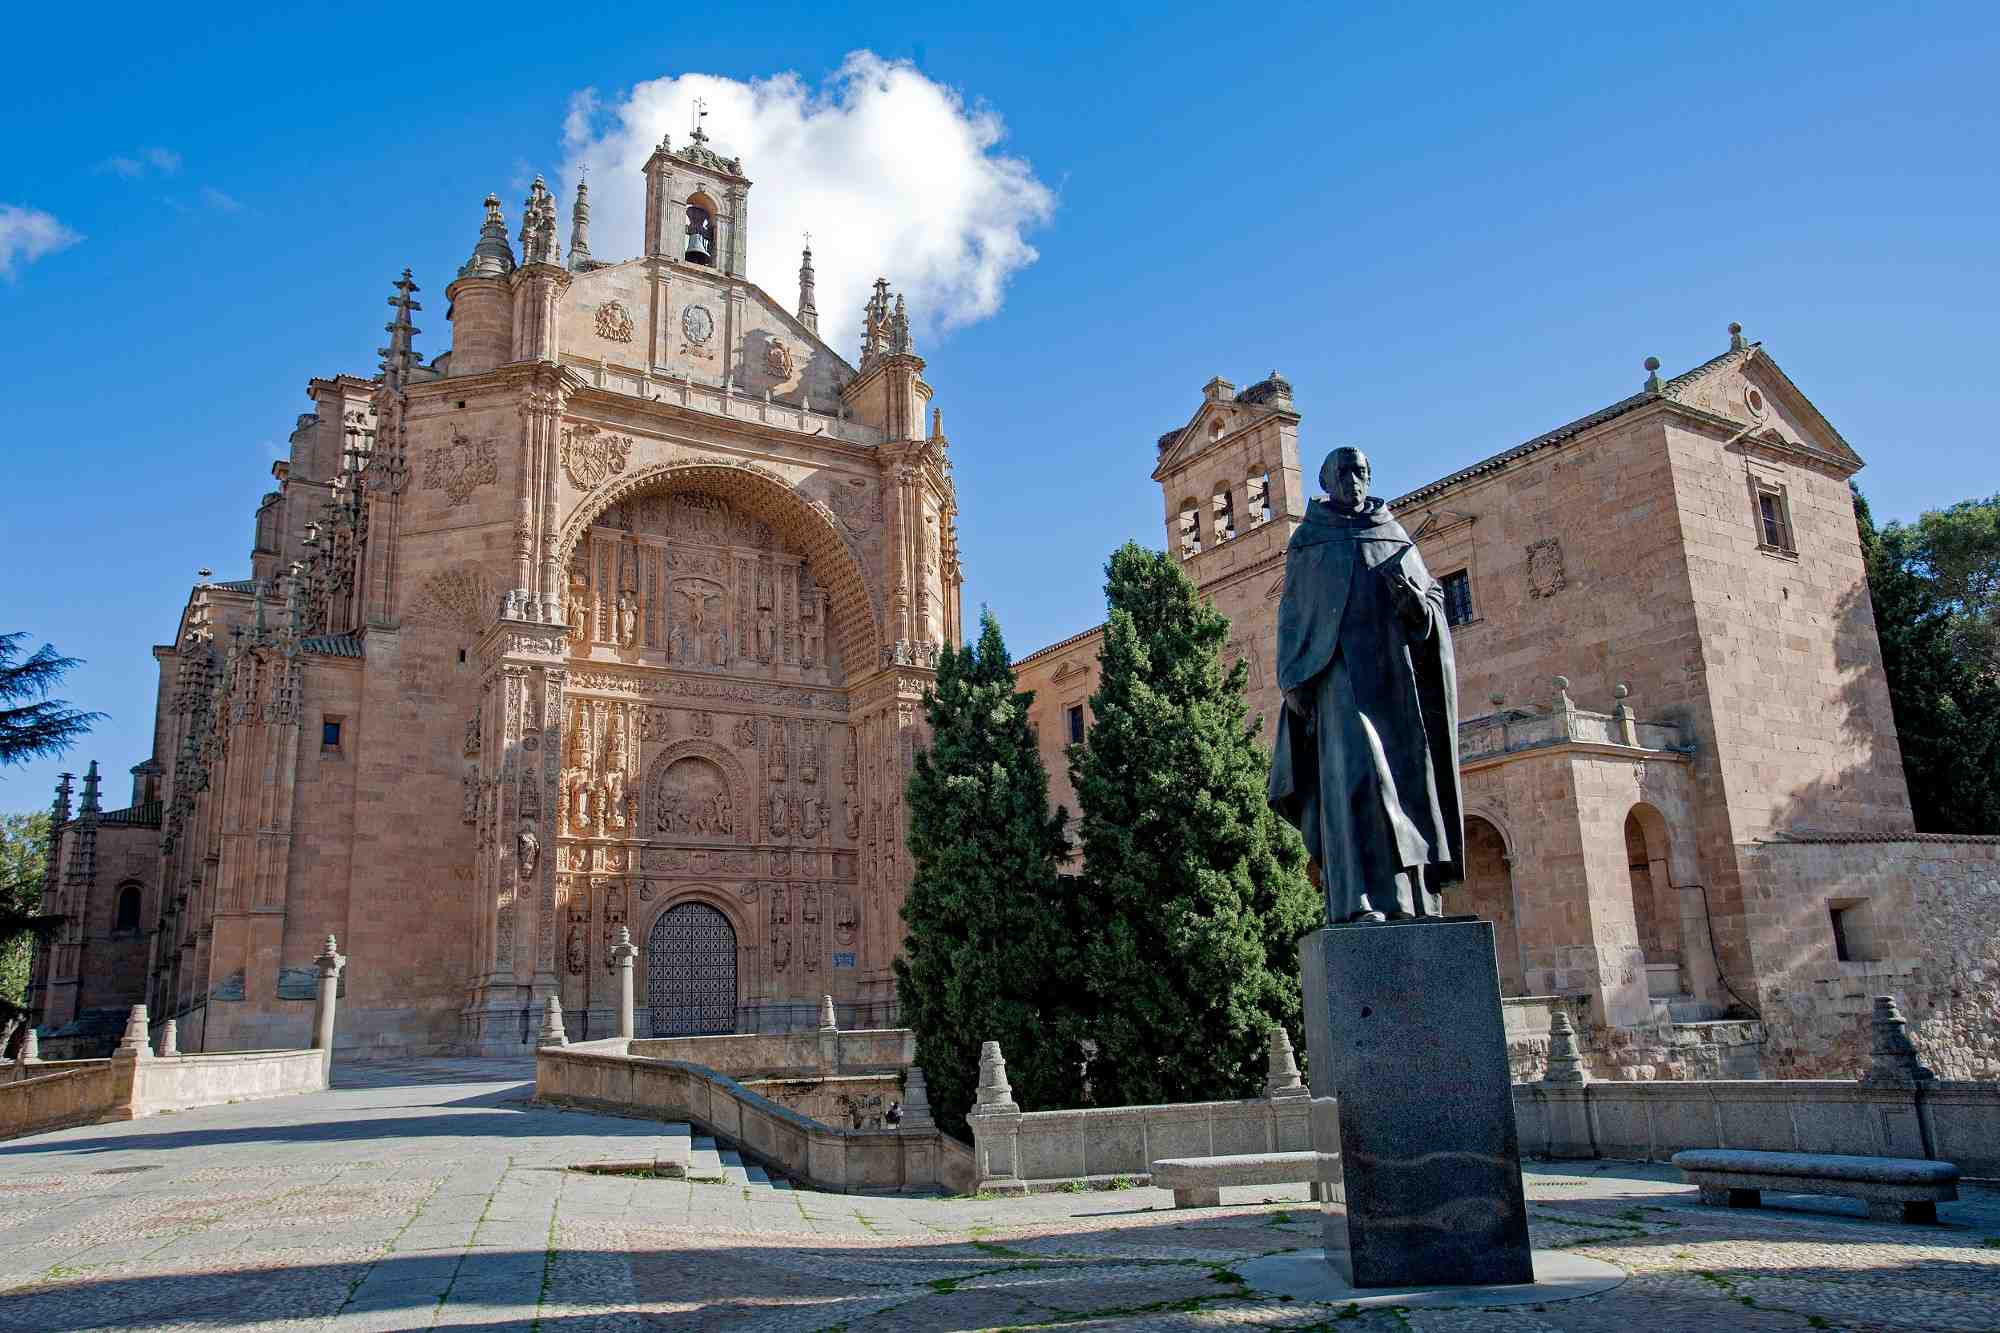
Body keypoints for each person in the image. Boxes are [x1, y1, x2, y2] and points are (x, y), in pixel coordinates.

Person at [1268, 447, 1463, 923]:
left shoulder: (1392, 534)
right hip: (1337, 679)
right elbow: (1292, 616)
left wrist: (1415, 604)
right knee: (1357, 777)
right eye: (1343, 472)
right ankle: (1355, 898)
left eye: (1360, 472)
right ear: (1326, 481)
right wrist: (1293, 679)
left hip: (1394, 682)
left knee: (1404, 786)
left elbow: (1432, 606)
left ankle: (1410, 900)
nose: (1353, 480)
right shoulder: (1309, 541)